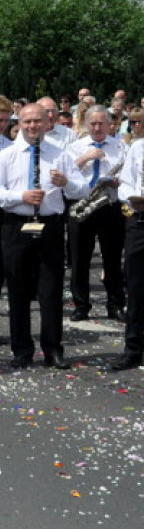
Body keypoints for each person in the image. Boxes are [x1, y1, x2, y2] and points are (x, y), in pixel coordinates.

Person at [0, 103, 87, 369]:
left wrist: (67, 183)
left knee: (51, 290)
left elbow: (82, 189)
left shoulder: (59, 154)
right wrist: (21, 196)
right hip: (17, 225)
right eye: (27, 122)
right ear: (20, 122)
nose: (32, 126)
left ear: (46, 122)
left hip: (49, 225)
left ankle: (53, 349)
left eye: (37, 121)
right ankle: (21, 350)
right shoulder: (7, 155)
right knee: (18, 289)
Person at [66, 106, 126, 322]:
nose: (98, 127)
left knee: (112, 259)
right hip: (82, 205)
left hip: (110, 205)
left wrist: (120, 181)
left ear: (110, 124)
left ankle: (115, 304)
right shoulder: (75, 147)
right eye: (93, 123)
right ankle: (81, 305)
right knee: (79, 259)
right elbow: (65, 174)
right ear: (86, 124)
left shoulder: (120, 147)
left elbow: (129, 174)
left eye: (102, 123)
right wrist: (85, 158)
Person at [113, 141, 144, 371]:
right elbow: (125, 183)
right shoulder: (138, 147)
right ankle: (133, 349)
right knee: (136, 287)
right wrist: (132, 198)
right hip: (140, 221)